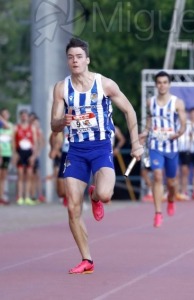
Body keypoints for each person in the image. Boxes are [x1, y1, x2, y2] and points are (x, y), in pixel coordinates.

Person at [50, 37, 143, 274]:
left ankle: (95, 196)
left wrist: (135, 144)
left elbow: (129, 110)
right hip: (76, 152)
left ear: (87, 59)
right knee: (72, 207)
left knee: (106, 194)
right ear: (67, 61)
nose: (75, 61)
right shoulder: (62, 88)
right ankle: (87, 259)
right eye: (70, 57)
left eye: (79, 56)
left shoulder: (104, 84)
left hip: (101, 148)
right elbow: (54, 124)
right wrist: (63, 121)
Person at [139, 71, 186, 228]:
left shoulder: (177, 102)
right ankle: (158, 213)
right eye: (159, 82)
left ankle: (171, 199)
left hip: (171, 146)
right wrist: (145, 133)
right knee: (157, 176)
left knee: (172, 182)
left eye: (165, 82)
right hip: (155, 146)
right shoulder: (149, 102)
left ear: (169, 84)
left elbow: (184, 124)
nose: (162, 85)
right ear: (156, 85)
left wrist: (178, 134)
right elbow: (148, 123)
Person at [178, 107, 194, 200]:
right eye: (192, 114)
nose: (193, 115)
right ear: (189, 114)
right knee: (185, 171)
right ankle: (184, 191)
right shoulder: (186, 124)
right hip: (187, 150)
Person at [14, 109, 38, 205]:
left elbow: (35, 143)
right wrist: (15, 154)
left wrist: (33, 156)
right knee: (20, 175)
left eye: (25, 115)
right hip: (20, 152)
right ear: (20, 117)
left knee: (29, 175)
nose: (24, 117)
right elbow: (13, 141)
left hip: (29, 153)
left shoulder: (32, 128)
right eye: (22, 116)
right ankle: (20, 197)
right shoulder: (17, 127)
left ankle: (27, 197)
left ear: (28, 117)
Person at [48, 128, 69, 206]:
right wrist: (53, 148)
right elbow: (53, 136)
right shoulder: (62, 125)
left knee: (72, 178)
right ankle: (64, 195)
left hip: (75, 153)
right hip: (63, 153)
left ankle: (72, 197)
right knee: (59, 179)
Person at [0, 108, 14, 205]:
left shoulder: (11, 126)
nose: (5, 115)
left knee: (3, 177)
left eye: (6, 114)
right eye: (3, 114)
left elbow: (7, 126)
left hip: (7, 153)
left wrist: (14, 154)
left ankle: (2, 197)